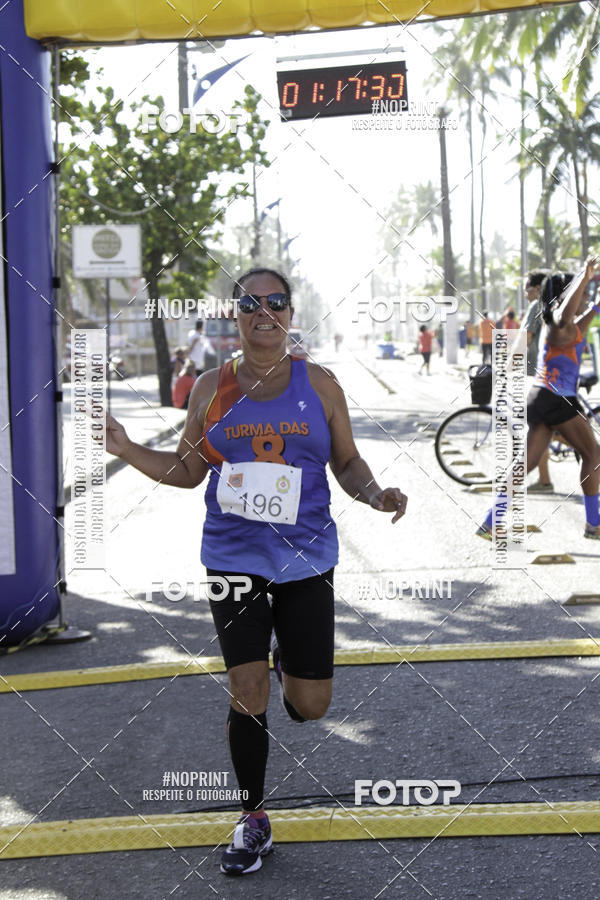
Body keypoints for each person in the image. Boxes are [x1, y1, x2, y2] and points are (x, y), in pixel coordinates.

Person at [105, 267, 408, 876]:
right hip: (232, 557)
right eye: (250, 302)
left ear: (290, 314)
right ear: (235, 314)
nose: (264, 311)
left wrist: (375, 494)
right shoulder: (210, 389)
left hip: (306, 559)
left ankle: (285, 659)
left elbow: (347, 461)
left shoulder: (319, 384)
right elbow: (189, 471)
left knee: (311, 705)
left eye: (276, 301)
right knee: (247, 690)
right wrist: (126, 448)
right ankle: (253, 818)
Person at [477, 259, 600, 541]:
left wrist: (595, 303)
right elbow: (566, 314)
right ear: (564, 297)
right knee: (593, 454)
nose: (585, 297)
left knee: (525, 464)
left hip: (542, 397)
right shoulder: (558, 321)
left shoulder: (568, 325)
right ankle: (594, 524)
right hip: (558, 399)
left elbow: (588, 314)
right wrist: (583, 277)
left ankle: (490, 522)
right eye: (581, 294)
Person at [521, 271, 553, 492]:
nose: (525, 293)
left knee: (539, 428)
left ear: (538, 288)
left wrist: (504, 365)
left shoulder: (537, 306)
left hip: (537, 374)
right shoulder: (553, 304)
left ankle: (544, 480)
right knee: (541, 427)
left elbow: (525, 338)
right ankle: (544, 480)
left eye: (527, 288)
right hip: (550, 374)